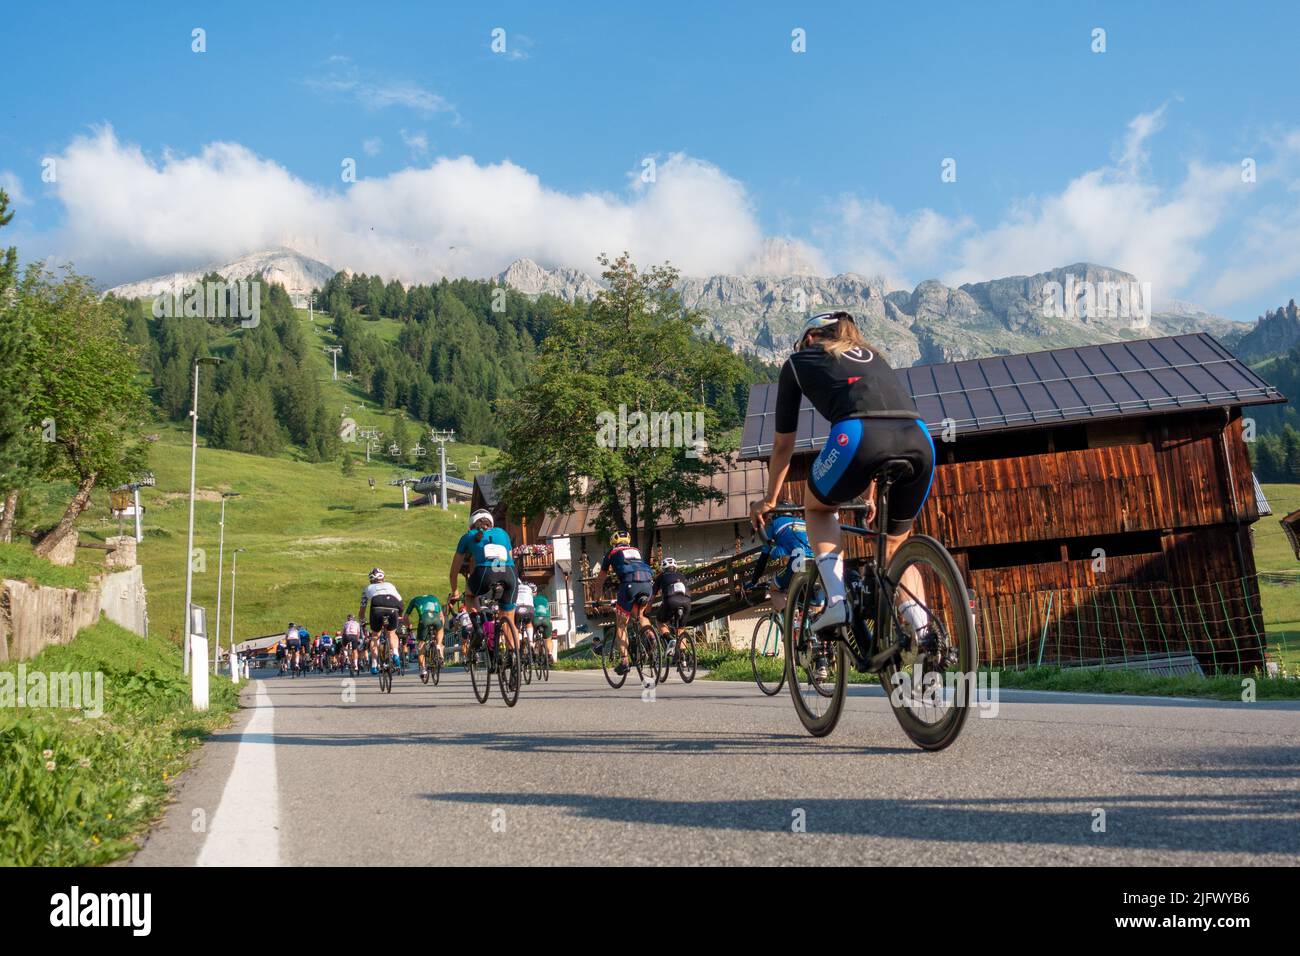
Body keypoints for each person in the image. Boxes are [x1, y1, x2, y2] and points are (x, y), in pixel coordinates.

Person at [750, 311, 935, 643]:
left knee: (819, 509)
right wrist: (869, 495)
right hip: (919, 438)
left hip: (857, 435)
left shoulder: (798, 360)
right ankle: (923, 633)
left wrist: (771, 499)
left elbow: (783, 445)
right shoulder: (874, 355)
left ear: (810, 338)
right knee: (895, 546)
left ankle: (837, 602)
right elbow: (885, 419)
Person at [448, 509, 521, 658]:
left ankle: (478, 627)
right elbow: (509, 558)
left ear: (471, 525)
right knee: (508, 618)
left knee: (469, 594)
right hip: (510, 574)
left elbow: (453, 572)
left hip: (485, 574)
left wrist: (455, 591)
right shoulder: (502, 533)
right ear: (491, 523)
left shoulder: (468, 536)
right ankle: (515, 656)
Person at [594, 530, 654, 675]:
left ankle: (624, 661)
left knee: (622, 624)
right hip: (647, 582)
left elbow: (601, 578)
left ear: (613, 542)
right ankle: (651, 636)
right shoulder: (636, 551)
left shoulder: (611, 553)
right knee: (640, 616)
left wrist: (597, 600)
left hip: (629, 584)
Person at [747, 505, 812, 614]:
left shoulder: (774, 524)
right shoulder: (802, 522)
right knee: (809, 593)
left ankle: (788, 620)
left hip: (799, 559)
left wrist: (753, 581)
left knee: (774, 589)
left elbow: (763, 558)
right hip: (816, 560)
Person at [360, 568, 404, 675]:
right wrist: (400, 616)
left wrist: (362, 620)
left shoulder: (367, 589)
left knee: (375, 636)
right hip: (393, 606)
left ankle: (374, 664)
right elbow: (400, 602)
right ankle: (395, 654)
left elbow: (362, 608)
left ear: (371, 580)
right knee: (391, 633)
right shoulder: (390, 585)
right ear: (383, 578)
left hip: (377, 608)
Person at [652, 556, 691, 656]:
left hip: (671, 601)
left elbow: (652, 595)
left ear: (663, 568)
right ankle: (683, 657)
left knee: (659, 621)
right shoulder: (682, 576)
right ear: (675, 567)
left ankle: (670, 639)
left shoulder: (661, 577)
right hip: (687, 602)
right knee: (681, 629)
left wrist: (647, 609)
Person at [404, 592, 445, 679]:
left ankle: (423, 669)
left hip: (424, 619)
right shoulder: (434, 597)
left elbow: (406, 616)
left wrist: (409, 626)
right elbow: (442, 616)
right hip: (436, 618)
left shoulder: (415, 599)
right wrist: (440, 627)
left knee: (421, 645)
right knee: (440, 631)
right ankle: (438, 646)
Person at [533, 591, 554, 662]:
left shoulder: (531, 599)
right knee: (548, 639)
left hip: (536, 620)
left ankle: (534, 652)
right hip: (546, 619)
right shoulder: (545, 600)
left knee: (533, 635)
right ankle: (550, 655)